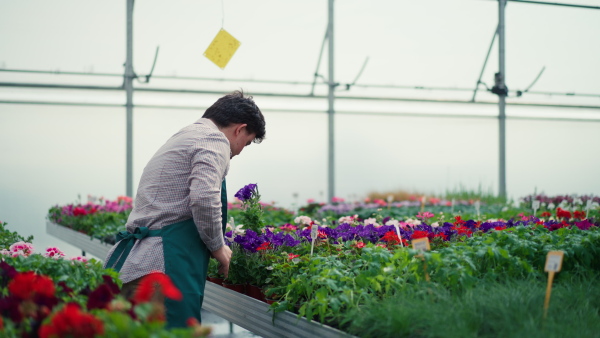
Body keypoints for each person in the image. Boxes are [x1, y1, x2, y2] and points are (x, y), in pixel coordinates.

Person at [104, 90, 266, 328]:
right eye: (247, 142)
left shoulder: (187, 134)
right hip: (164, 267)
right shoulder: (214, 140)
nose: (240, 150)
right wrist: (219, 248)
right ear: (239, 129)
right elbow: (203, 197)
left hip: (141, 262)